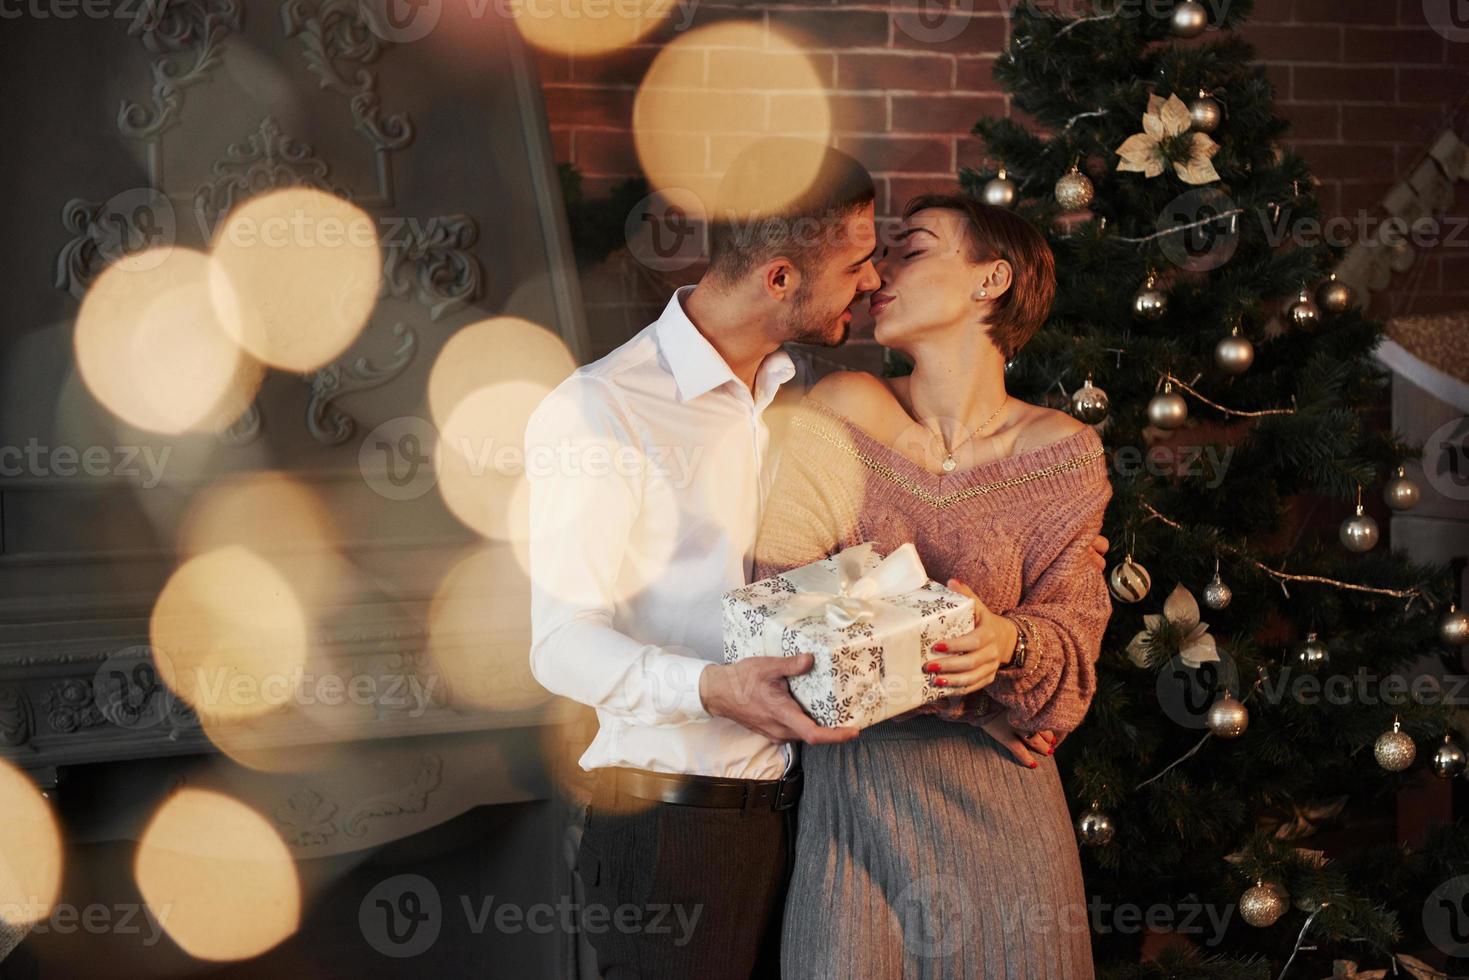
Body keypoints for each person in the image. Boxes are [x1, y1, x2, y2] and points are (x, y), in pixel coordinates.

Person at [525, 139, 1108, 979]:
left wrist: (1008, 662)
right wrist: (713, 686)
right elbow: (560, 643)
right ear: (779, 281)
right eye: (864, 262)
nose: (874, 281)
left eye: (894, 256)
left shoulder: (790, 388)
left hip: (797, 812)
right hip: (680, 820)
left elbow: (1044, 632)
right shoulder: (602, 408)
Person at [755, 195, 1112, 979]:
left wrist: (1008, 642)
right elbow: (782, 612)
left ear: (992, 278)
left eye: (913, 250)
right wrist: (979, 695)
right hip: (859, 797)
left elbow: (1071, 649)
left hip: (1005, 811)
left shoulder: (1062, 451)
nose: (880, 272)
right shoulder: (842, 409)